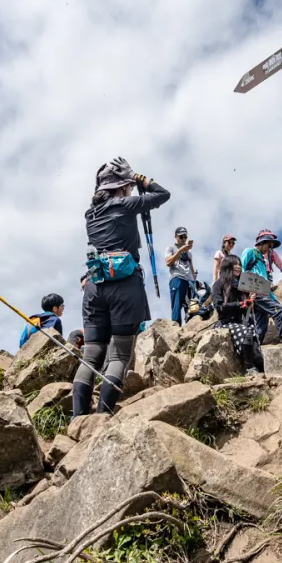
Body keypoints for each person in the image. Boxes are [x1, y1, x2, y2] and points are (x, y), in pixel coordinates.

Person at [75, 157, 170, 418]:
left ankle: (78, 419)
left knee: (92, 354)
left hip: (95, 285)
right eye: (127, 184)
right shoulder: (126, 204)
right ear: (122, 186)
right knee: (118, 355)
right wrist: (138, 177)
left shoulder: (90, 214)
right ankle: (103, 417)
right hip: (125, 285)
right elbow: (163, 194)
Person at [240, 231, 282, 347]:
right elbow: (241, 269)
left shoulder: (261, 258)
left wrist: (272, 297)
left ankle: (255, 349)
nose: (269, 248)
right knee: (278, 310)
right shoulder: (250, 252)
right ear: (262, 242)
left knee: (262, 324)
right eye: (269, 245)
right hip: (255, 292)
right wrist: (248, 292)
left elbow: (264, 281)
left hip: (263, 292)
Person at [211, 256, 262, 375]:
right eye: (235, 264)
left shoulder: (243, 285)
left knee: (258, 355)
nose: (238, 267)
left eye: (239, 264)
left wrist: (250, 301)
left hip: (242, 322)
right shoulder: (218, 284)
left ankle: (258, 367)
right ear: (227, 266)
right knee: (246, 333)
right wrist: (240, 304)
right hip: (225, 323)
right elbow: (218, 306)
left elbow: (247, 309)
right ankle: (249, 369)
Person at [165, 227, 198, 326]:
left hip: (190, 281)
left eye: (185, 237)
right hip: (177, 278)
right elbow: (168, 262)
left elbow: (191, 267)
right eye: (181, 237)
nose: (183, 239)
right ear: (176, 236)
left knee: (194, 306)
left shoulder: (189, 253)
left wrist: (195, 279)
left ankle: (192, 326)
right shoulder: (170, 248)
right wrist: (179, 251)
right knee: (176, 306)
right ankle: (176, 329)